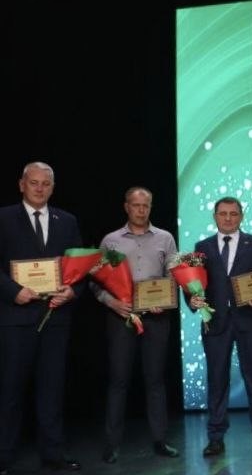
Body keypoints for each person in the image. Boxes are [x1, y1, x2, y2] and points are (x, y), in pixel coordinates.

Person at [0, 162, 84, 474]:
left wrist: (72, 291)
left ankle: (53, 454)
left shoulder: (67, 221)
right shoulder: (3, 217)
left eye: (45, 184)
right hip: (15, 319)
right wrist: (13, 292)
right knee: (10, 391)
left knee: (52, 390)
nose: (39, 188)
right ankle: (3, 456)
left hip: (55, 319)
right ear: (21, 184)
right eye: (33, 182)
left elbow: (80, 268)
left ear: (52, 188)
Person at [94, 187, 181, 464]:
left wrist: (164, 301)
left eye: (146, 205)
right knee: (118, 380)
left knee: (155, 380)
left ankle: (160, 440)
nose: (141, 210)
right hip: (121, 318)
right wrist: (112, 303)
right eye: (136, 205)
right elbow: (95, 281)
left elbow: (174, 276)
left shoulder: (166, 238)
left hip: (156, 318)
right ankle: (112, 444)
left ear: (150, 207)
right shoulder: (111, 241)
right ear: (126, 207)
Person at [190, 196, 252, 456]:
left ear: (241, 216)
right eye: (223, 213)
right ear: (215, 216)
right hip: (215, 322)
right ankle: (215, 437)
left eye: (233, 213)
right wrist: (192, 300)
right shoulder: (202, 247)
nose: (228, 218)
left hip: (249, 321)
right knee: (217, 380)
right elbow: (194, 284)